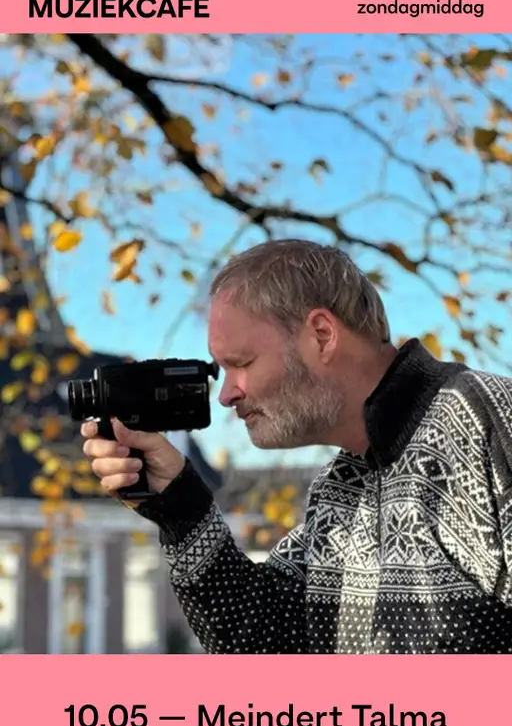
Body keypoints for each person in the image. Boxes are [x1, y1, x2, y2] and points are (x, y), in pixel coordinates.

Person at [81, 238, 512, 654]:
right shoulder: (339, 489)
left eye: (241, 364)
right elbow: (267, 644)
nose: (226, 394)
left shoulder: (490, 425)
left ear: (322, 335)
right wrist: (181, 506)